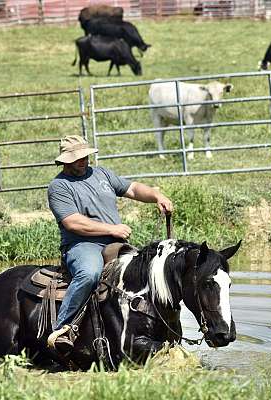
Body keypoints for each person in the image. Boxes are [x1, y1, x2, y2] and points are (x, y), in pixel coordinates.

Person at [46, 135, 173, 354]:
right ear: (65, 161)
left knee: (145, 272)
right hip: (82, 245)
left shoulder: (101, 174)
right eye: (77, 158)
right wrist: (111, 229)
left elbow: (132, 188)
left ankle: (154, 325)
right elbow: (72, 222)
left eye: (85, 156)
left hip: (115, 243)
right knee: (89, 273)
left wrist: (155, 195)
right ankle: (63, 328)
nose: (83, 161)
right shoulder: (59, 187)